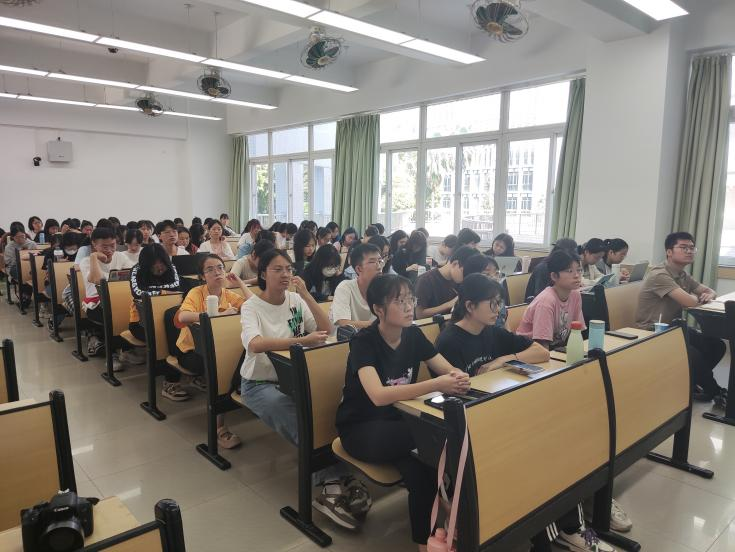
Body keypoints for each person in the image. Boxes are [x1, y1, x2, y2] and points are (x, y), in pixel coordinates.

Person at [336, 274, 472, 550]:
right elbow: (378, 396)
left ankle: (428, 542)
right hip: (360, 429)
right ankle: (453, 509)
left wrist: (458, 376)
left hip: (399, 424)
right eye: (400, 301)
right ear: (378, 309)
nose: (410, 307)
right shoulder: (364, 341)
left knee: (420, 473)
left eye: (411, 299)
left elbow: (445, 368)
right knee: (433, 438)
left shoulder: (413, 334)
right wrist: (436, 384)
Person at [240, 249, 370, 528]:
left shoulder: (296, 299)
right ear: (263, 274)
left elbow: (326, 330)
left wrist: (307, 296)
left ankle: (338, 473)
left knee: (327, 409)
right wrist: (300, 342)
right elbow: (255, 343)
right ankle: (331, 481)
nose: (285, 274)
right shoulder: (252, 306)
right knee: (301, 419)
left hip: (296, 377)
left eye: (288, 269)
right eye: (277, 269)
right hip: (259, 384)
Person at [635, 232, 727, 406]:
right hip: (652, 330)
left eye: (692, 248)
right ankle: (715, 391)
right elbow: (689, 302)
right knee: (693, 355)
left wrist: (708, 295)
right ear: (669, 252)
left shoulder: (682, 275)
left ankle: (690, 383)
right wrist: (701, 297)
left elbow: (709, 291)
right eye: (684, 247)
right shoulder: (660, 275)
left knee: (717, 346)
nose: (689, 251)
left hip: (674, 328)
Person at [174, 254, 252, 446]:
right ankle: (219, 427)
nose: (217, 272)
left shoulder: (229, 295)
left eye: (220, 267)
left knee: (234, 358)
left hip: (217, 350)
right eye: (210, 269)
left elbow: (254, 307)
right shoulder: (196, 292)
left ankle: (239, 392)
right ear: (202, 276)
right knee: (221, 367)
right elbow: (182, 317)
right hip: (190, 352)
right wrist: (215, 315)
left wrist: (240, 282)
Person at [436, 273, 549, 376]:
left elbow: (542, 352)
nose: (498, 309)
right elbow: (455, 386)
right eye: (493, 303)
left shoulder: (492, 331)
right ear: (470, 306)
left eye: (499, 303)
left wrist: (502, 360)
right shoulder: (449, 342)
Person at [129, 244, 185, 399]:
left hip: (170, 318)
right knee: (167, 337)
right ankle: (170, 382)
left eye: (161, 262)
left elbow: (177, 286)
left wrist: (154, 290)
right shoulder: (136, 270)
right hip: (140, 322)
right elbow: (139, 293)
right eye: (154, 263)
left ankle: (190, 374)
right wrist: (164, 291)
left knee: (183, 333)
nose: (159, 266)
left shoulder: (171, 267)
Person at [516, 251, 585, 350]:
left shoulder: (575, 295)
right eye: (570, 271)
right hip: (529, 350)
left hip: (555, 349)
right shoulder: (546, 301)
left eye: (579, 270)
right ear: (554, 276)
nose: (577, 275)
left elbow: (577, 331)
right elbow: (542, 346)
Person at [80, 227, 123, 358]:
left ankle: (125, 349)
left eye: (113, 245)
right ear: (94, 244)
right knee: (113, 315)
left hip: (118, 299)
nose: (109, 250)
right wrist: (94, 257)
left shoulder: (120, 256)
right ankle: (113, 353)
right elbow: (98, 280)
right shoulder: (86, 262)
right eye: (104, 246)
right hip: (95, 304)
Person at [414, 245, 479, 319]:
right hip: (431, 324)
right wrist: (449, 304)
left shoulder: (459, 280)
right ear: (455, 264)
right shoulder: (426, 280)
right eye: (465, 273)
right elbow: (419, 314)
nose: (466, 278)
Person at [331, 244, 384, 328]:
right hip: (344, 336)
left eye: (380, 261)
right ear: (359, 269)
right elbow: (343, 323)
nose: (379, 267)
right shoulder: (345, 287)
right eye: (372, 262)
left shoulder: (383, 289)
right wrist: (381, 325)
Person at [4, 222, 37, 307]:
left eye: (22, 236)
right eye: (17, 237)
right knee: (22, 274)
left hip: (29, 267)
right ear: (12, 237)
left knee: (33, 273)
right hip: (14, 268)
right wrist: (20, 255)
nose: (20, 239)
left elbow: (36, 258)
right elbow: (8, 263)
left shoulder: (31, 244)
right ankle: (25, 298)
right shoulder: (9, 247)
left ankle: (27, 298)